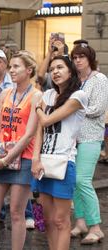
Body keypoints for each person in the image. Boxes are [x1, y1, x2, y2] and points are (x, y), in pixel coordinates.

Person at [0, 51, 42, 250]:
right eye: (11, 66)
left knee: (17, 213)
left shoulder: (36, 96)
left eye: (16, 66)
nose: (11, 70)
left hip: (22, 159)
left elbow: (29, 134)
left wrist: (6, 160)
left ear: (29, 70)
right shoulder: (6, 93)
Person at [31, 55, 87, 250]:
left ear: (70, 71)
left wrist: (38, 108)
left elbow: (46, 121)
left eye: (60, 67)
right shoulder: (47, 95)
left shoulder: (78, 96)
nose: (55, 72)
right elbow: (40, 130)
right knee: (47, 220)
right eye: (52, 68)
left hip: (64, 163)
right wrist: (35, 158)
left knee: (60, 220)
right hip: (43, 163)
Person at [69, 40, 108, 244]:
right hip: (73, 138)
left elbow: (98, 109)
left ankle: (95, 227)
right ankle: (81, 223)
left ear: (90, 58)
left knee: (82, 181)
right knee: (74, 183)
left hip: (91, 137)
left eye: (81, 56)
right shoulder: (76, 80)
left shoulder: (99, 79)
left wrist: (74, 108)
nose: (78, 60)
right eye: (75, 57)